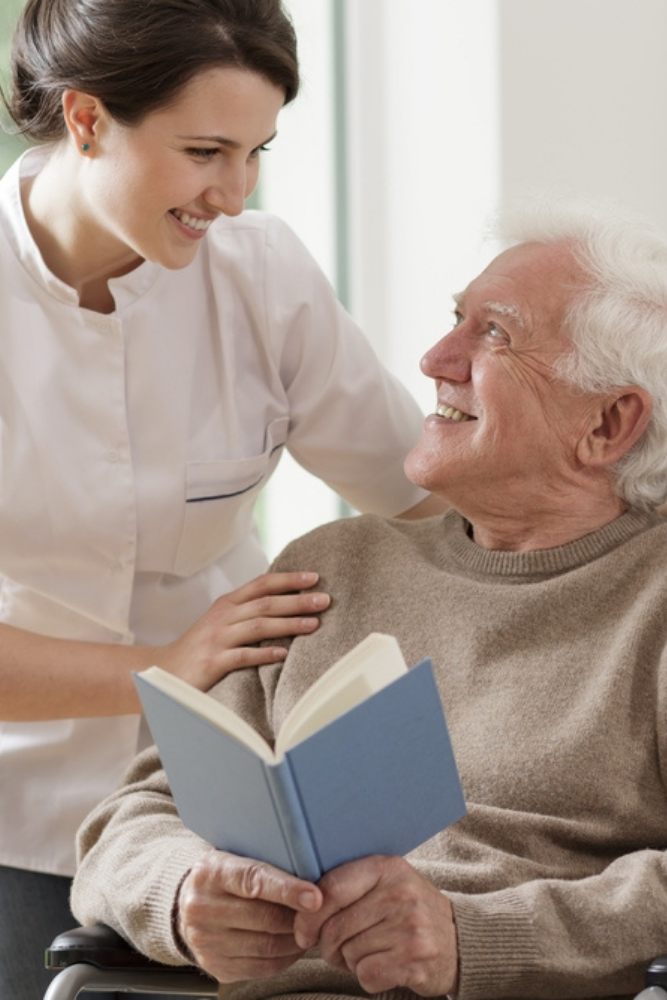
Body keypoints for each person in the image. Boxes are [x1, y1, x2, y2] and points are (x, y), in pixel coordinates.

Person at [72, 196, 667, 1000]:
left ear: (607, 423)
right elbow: (131, 818)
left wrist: (471, 936)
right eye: (455, 319)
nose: (432, 358)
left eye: (492, 334)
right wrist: (183, 892)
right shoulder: (332, 565)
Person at [0, 0, 445, 995]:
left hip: (226, 800)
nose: (233, 194)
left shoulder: (261, 274)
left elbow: (419, 496)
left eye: (256, 152)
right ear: (84, 120)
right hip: (17, 797)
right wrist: (163, 664)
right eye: (205, 150)